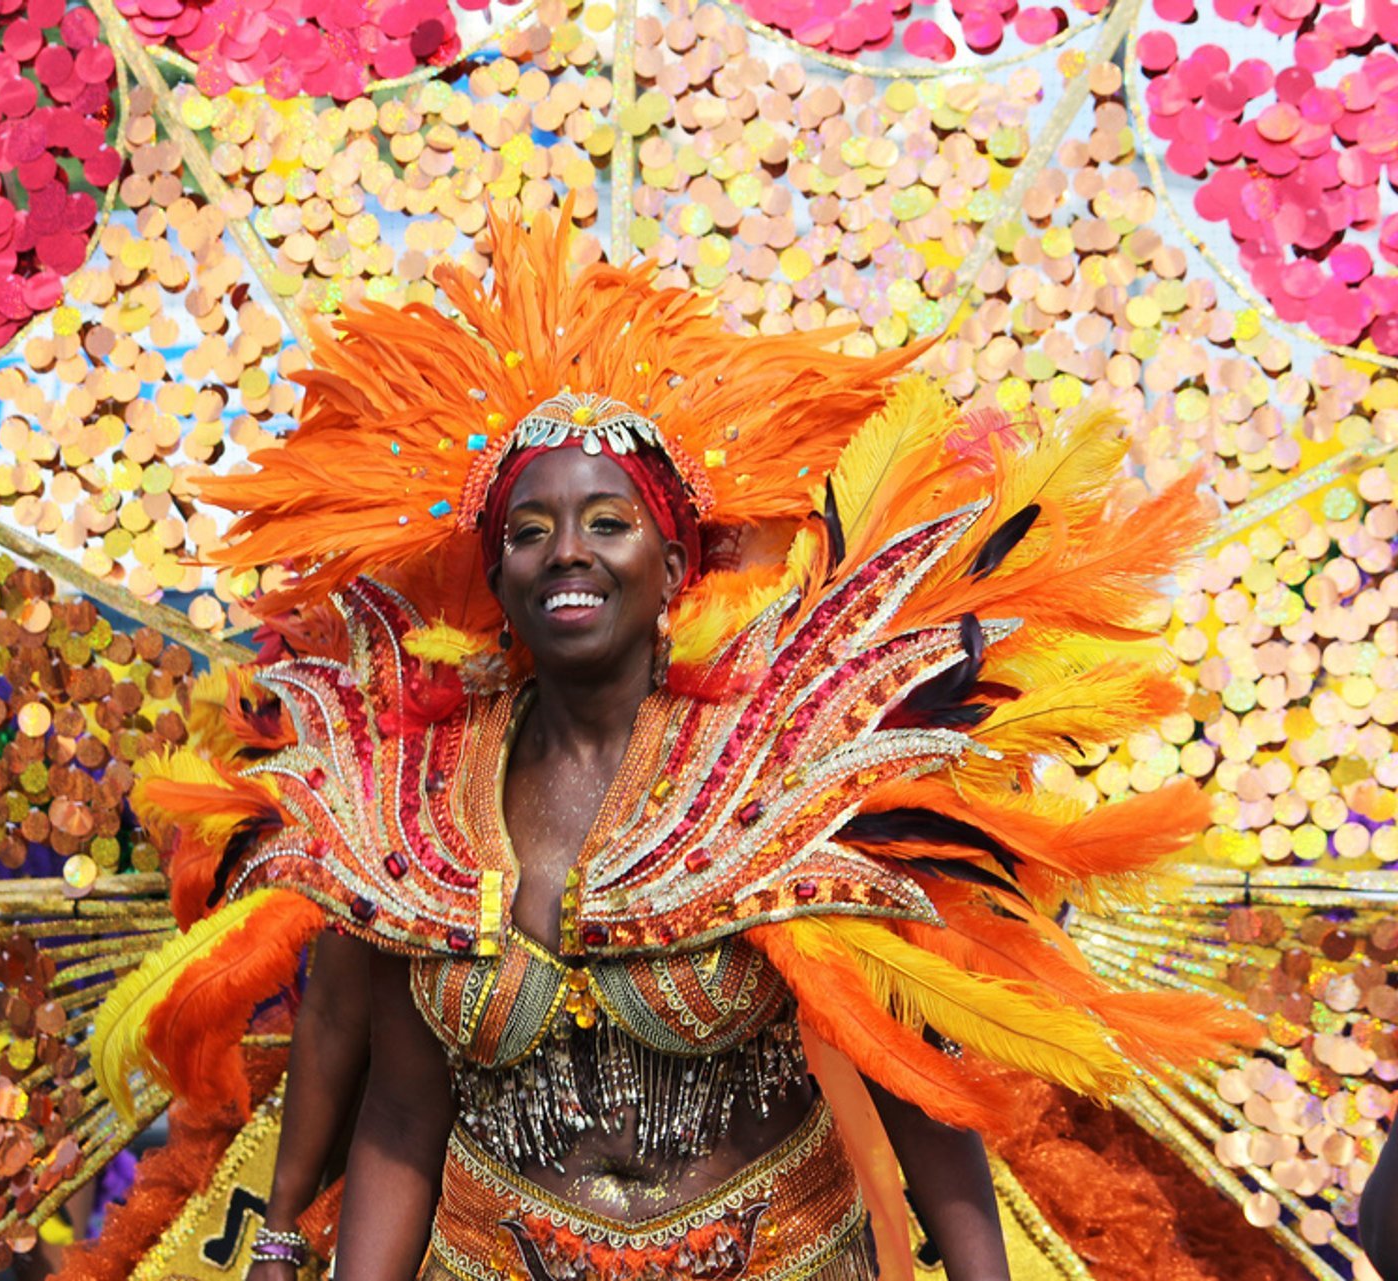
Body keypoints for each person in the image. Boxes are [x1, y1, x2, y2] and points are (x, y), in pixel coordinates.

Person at [90, 207, 1252, 1280]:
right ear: (495, 573)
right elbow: (401, 1111)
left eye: (609, 523)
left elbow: (915, 1076)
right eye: (532, 531)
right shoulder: (409, 792)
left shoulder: (794, 756)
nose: (569, 553)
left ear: (673, 564)